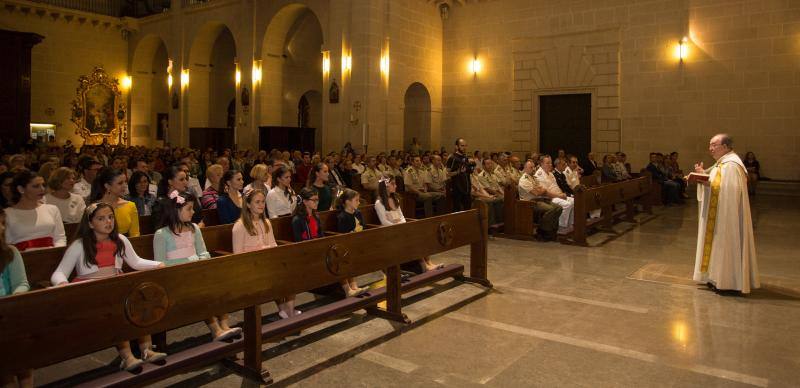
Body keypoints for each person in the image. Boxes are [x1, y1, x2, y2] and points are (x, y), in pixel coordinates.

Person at [51, 202, 166, 371]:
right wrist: (62, 283)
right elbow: (59, 272)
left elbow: (136, 262)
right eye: (101, 218)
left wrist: (158, 264)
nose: (108, 221)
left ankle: (147, 350)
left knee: (138, 305)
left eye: (110, 217)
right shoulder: (80, 245)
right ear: (90, 223)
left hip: (116, 285)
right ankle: (127, 357)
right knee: (116, 311)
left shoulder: (120, 239)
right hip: (92, 290)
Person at [153, 191, 241, 341]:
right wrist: (188, 262)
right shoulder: (162, 234)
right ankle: (216, 330)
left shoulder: (194, 228)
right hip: (175, 279)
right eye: (189, 208)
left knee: (220, 284)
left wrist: (200, 261)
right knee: (201, 291)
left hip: (196, 273)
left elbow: (204, 252)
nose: (193, 212)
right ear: (176, 210)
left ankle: (224, 325)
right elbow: (160, 264)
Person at [691, 134, 759, 295]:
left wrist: (706, 180)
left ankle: (729, 281)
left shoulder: (732, 165)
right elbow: (716, 183)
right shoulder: (721, 164)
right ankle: (715, 277)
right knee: (716, 245)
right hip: (718, 213)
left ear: (726, 146)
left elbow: (729, 192)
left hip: (727, 216)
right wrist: (702, 176)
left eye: (714, 145)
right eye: (710, 145)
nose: (710, 148)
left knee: (726, 245)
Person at [232, 189, 293, 318]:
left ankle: (288, 310)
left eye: (263, 202)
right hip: (250, 268)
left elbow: (273, 244)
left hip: (267, 263)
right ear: (248, 204)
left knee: (290, 273)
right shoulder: (240, 226)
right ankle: (285, 310)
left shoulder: (266, 222)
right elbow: (238, 256)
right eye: (257, 202)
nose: (261, 205)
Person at [375, 175, 441, 271]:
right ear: (386, 186)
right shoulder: (379, 203)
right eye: (393, 184)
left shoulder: (395, 199)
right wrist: (398, 227)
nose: (395, 186)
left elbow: (402, 216)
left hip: (401, 228)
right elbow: (384, 222)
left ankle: (429, 262)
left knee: (421, 235)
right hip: (391, 232)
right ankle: (424, 265)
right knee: (413, 239)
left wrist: (403, 225)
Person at [0, 207, 32, 387]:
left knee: (17, 347)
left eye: (2, 223)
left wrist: (14, 300)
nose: (2, 228)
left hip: (6, 312)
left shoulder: (9, 252)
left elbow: (22, 283)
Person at [4, 170, 67, 251]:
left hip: (52, 255)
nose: (42, 189)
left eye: (43, 185)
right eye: (36, 186)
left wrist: (54, 254)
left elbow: (60, 238)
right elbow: (7, 245)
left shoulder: (52, 209)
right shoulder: (7, 214)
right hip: (22, 257)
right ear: (21, 189)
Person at [335, 189, 369, 297]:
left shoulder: (358, 213)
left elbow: (363, 226)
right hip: (345, 246)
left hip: (357, 243)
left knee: (353, 261)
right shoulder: (342, 217)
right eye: (356, 200)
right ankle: (348, 289)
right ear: (348, 202)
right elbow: (342, 234)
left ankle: (354, 286)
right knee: (344, 261)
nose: (359, 203)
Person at [518, 161, 562, 241]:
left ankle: (552, 231)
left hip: (540, 199)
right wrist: (540, 190)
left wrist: (540, 190)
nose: (533, 169)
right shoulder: (524, 179)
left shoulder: (534, 178)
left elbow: (542, 190)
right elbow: (536, 193)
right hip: (529, 203)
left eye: (534, 167)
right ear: (525, 168)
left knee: (559, 208)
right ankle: (543, 230)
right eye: (531, 167)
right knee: (551, 209)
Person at [90, 168, 140, 237]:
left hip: (125, 242)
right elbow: (90, 234)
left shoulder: (130, 205)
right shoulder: (94, 207)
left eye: (125, 182)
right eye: (120, 183)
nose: (125, 186)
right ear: (107, 186)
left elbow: (135, 234)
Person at [535, 155, 574, 230]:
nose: (550, 165)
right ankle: (561, 227)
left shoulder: (550, 173)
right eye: (547, 163)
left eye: (550, 163)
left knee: (574, 201)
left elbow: (556, 187)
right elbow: (545, 193)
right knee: (567, 204)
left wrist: (561, 194)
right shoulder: (539, 175)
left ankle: (571, 224)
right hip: (548, 198)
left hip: (557, 195)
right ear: (541, 164)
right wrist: (560, 196)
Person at [446, 138, 472, 211]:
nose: (464, 148)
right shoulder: (452, 158)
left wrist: (471, 167)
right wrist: (458, 172)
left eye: (465, 146)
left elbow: (467, 171)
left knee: (468, 209)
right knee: (457, 210)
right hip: (457, 188)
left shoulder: (466, 157)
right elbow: (447, 174)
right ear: (456, 146)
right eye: (462, 146)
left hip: (467, 188)